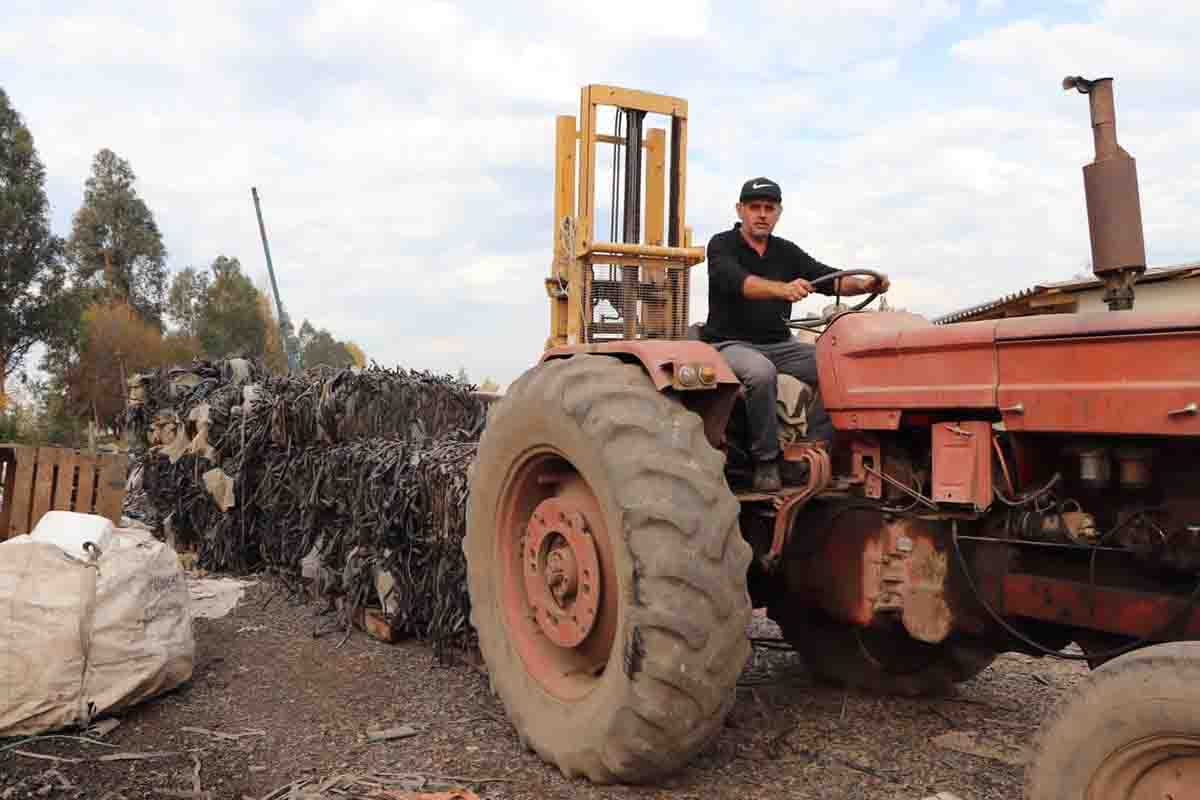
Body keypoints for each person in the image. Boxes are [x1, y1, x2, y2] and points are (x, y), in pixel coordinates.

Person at [700, 177, 889, 492]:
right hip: (729, 343)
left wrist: (865, 285)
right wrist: (782, 289)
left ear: (778, 213)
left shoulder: (785, 252)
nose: (762, 214)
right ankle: (766, 461)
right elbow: (739, 282)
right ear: (740, 210)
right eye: (754, 207)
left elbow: (829, 280)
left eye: (769, 208)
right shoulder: (722, 245)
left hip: (779, 343)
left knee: (839, 368)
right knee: (761, 373)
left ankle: (810, 448)